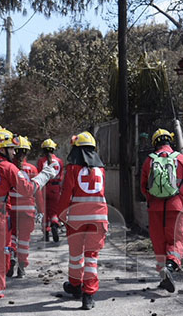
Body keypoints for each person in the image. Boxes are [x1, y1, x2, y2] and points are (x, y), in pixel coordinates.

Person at [0, 129, 57, 316]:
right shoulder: (8, 168)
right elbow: (27, 189)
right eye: (10, 148)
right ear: (2, 148)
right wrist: (45, 175)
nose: (13, 152)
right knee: (0, 261)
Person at [56, 131, 108, 310]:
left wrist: (60, 215)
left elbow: (66, 194)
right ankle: (88, 295)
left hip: (76, 220)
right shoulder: (101, 169)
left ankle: (75, 285)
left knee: (76, 256)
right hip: (99, 218)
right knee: (91, 257)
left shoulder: (72, 168)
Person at [140, 128, 183, 293]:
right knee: (176, 240)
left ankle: (164, 275)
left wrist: (151, 199)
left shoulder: (149, 161)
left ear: (154, 143)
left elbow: (143, 187)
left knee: (159, 241)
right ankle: (170, 268)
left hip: (155, 207)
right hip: (176, 206)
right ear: (169, 141)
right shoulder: (180, 158)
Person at [7, 136, 44, 278]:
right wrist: (41, 210)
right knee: (24, 240)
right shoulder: (33, 169)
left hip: (11, 209)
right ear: (27, 152)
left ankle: (10, 259)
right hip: (27, 210)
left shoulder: (9, 168)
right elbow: (37, 192)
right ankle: (22, 267)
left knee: (12, 237)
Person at [37, 138, 65, 242]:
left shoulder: (41, 161)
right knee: (54, 211)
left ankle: (46, 232)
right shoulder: (60, 161)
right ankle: (54, 224)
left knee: (44, 211)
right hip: (55, 188)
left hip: (44, 187)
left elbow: (39, 175)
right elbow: (61, 175)